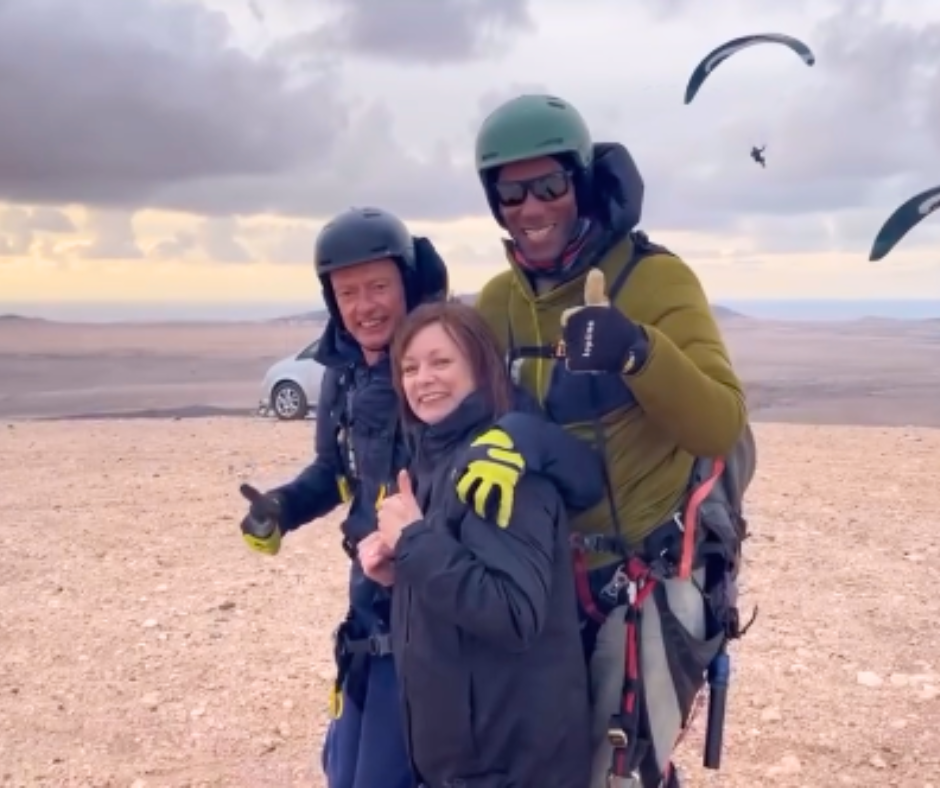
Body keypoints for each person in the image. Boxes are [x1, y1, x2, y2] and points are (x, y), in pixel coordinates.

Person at [237, 207, 595, 788]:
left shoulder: (466, 411)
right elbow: (337, 471)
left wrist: (521, 441)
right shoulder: (344, 376)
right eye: (347, 292)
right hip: (379, 596)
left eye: (378, 286)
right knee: (344, 770)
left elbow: (561, 462)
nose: (365, 305)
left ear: (406, 281)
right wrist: (282, 508)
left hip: (439, 618)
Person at [460, 94, 756, 787]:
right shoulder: (498, 302)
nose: (530, 208)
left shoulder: (654, 280)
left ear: (582, 181)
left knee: (620, 773)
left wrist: (636, 351)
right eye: (510, 194)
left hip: (645, 579)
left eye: (548, 185)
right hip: (538, 581)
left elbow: (719, 422)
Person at [361, 300, 601, 788]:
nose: (423, 379)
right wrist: (401, 570)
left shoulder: (499, 468)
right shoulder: (434, 459)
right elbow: (457, 592)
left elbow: (512, 613)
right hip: (466, 767)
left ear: (481, 368)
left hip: (514, 770)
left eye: (441, 362)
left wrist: (413, 541)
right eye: (410, 367)